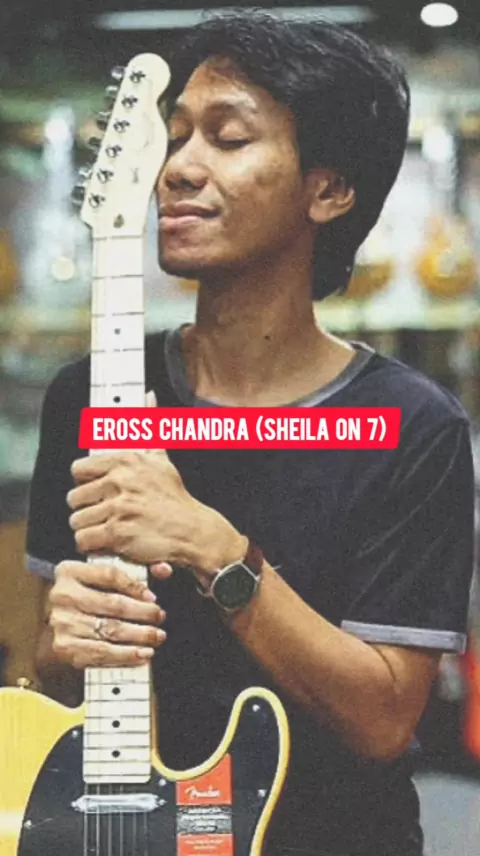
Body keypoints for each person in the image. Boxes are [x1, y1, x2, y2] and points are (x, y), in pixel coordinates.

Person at [26, 11, 474, 856]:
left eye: (228, 138)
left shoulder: (410, 426)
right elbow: (55, 672)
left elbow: (384, 718)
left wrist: (214, 548)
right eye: (176, 137)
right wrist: (66, 645)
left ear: (328, 191)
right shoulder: (91, 395)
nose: (178, 168)